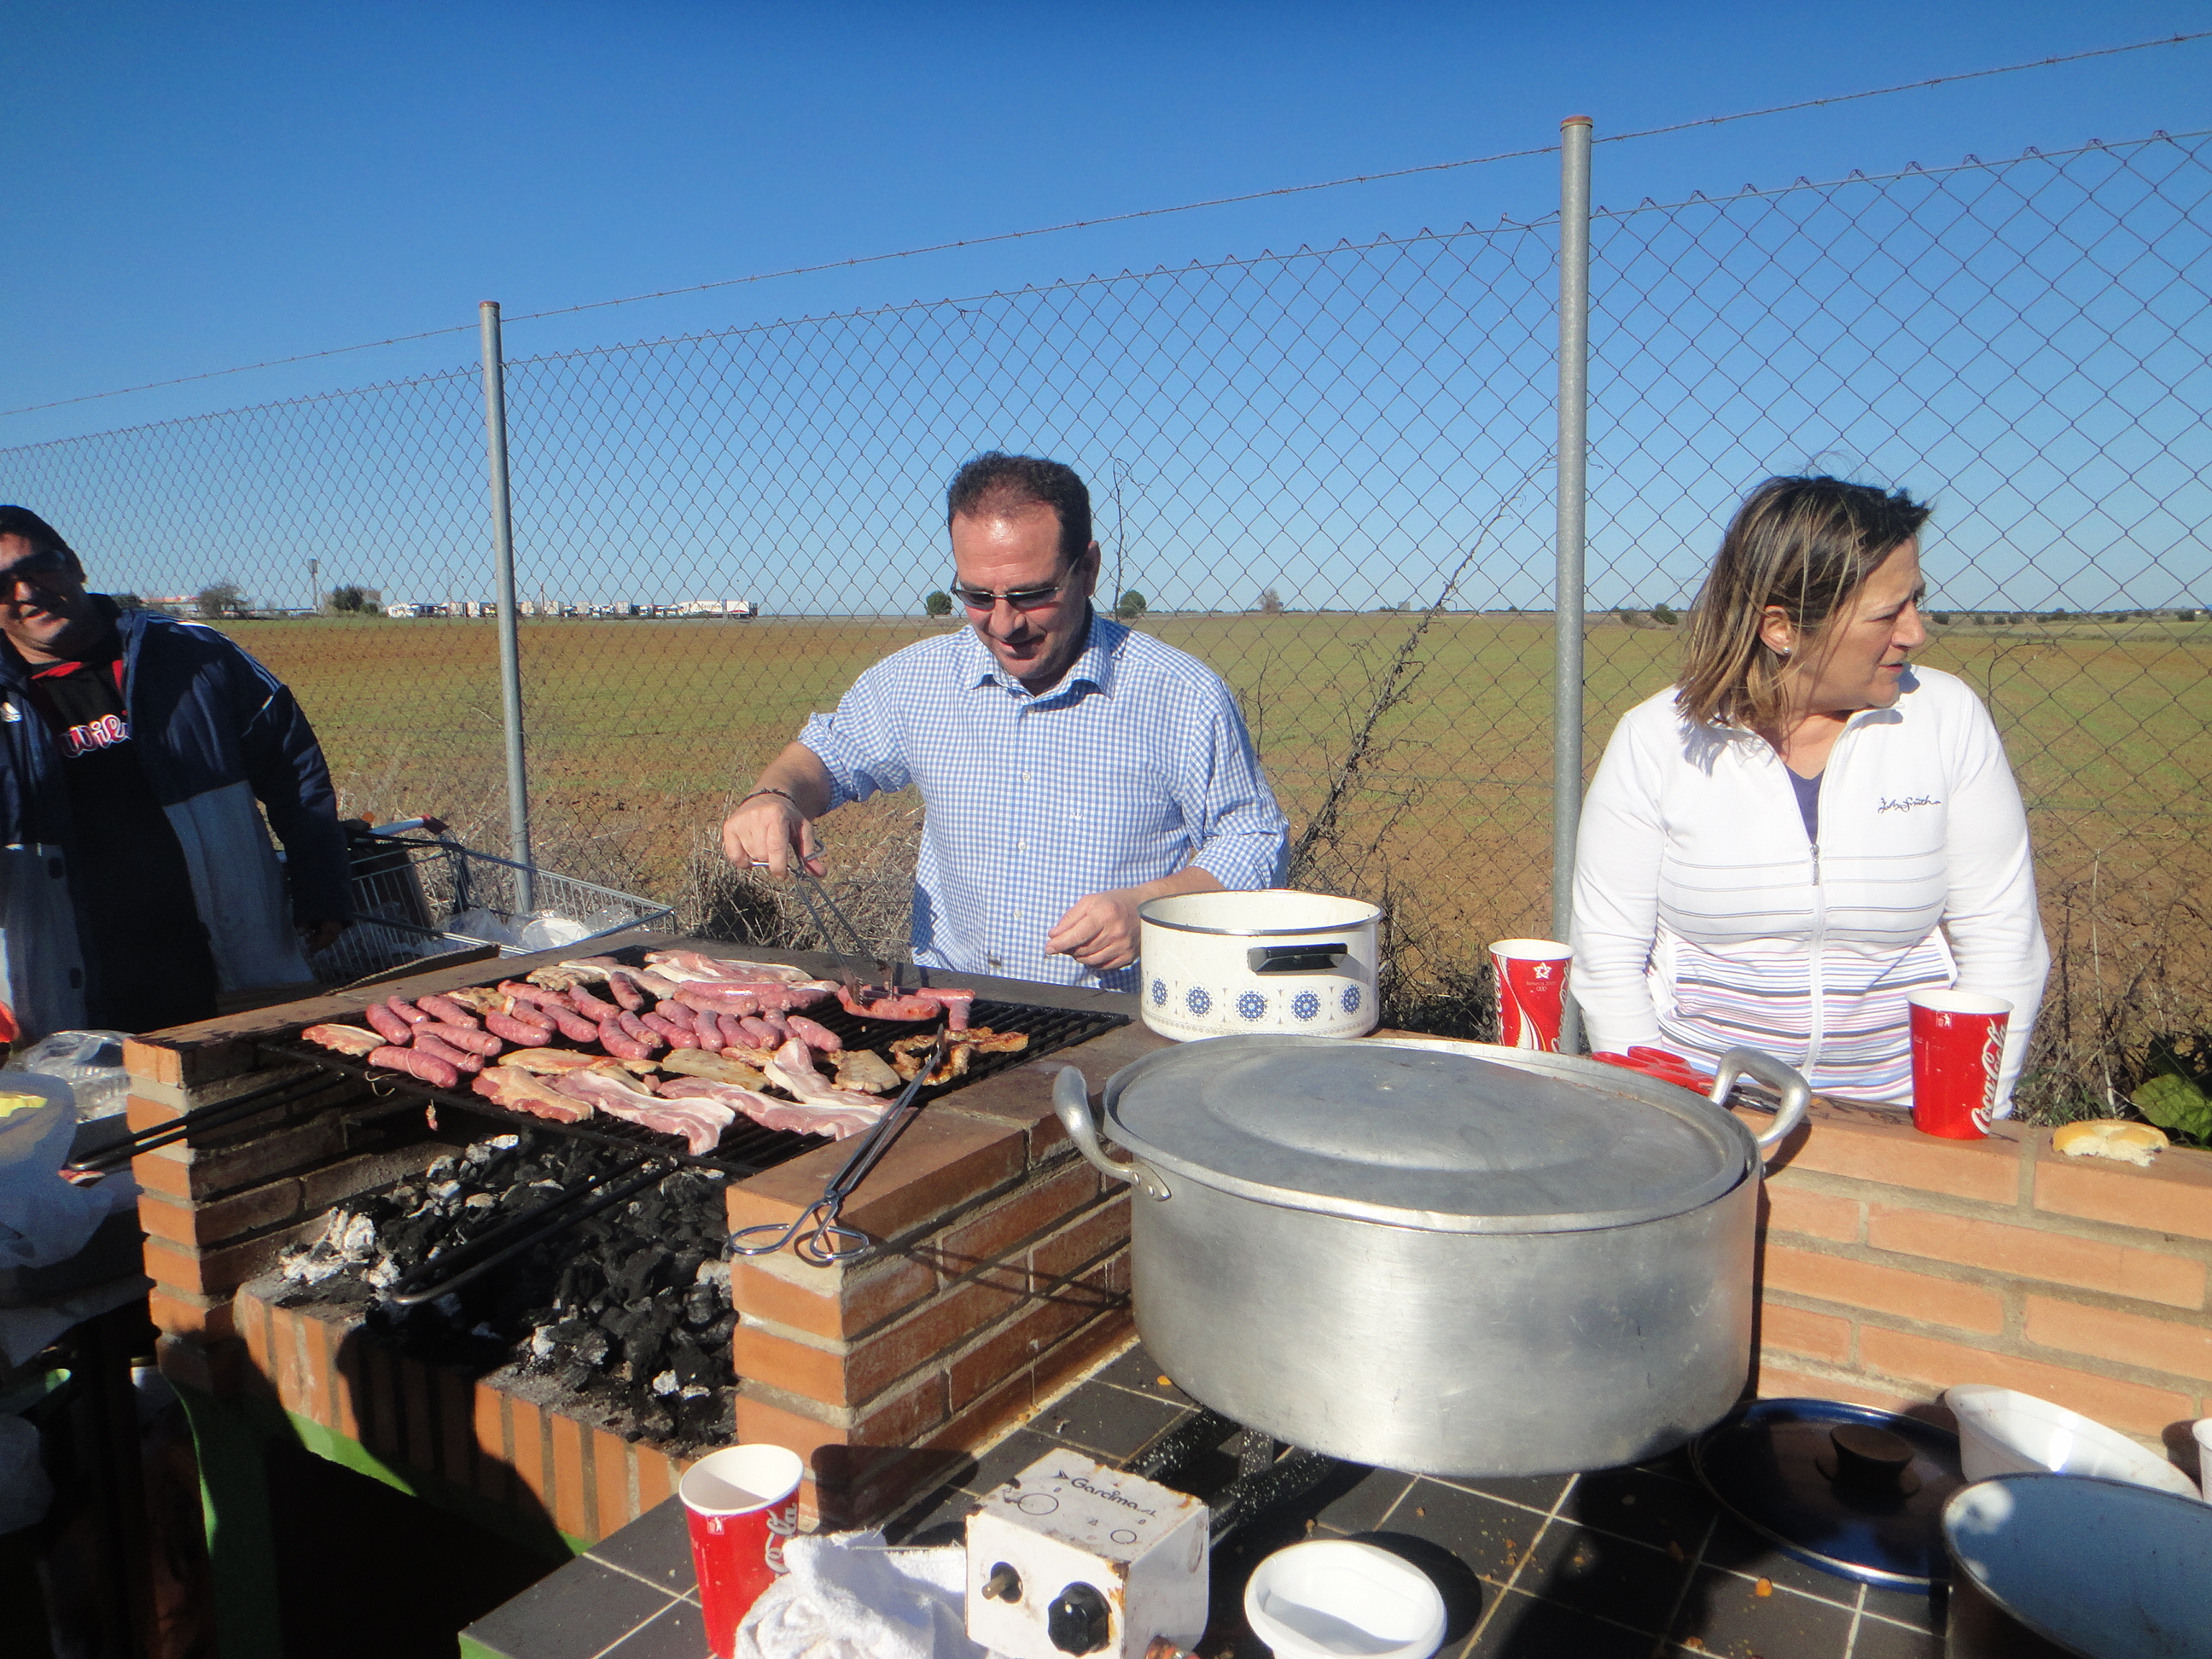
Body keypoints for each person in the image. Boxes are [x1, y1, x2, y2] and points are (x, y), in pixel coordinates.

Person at [720, 452, 1287, 991]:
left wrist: (1154, 911)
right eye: (977, 596)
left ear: (1088, 570)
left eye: (1032, 594)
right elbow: (829, 754)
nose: (1004, 623)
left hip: (1117, 1017)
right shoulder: (917, 681)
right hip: (956, 1007)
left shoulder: (1180, 694)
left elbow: (1254, 838)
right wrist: (773, 797)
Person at [1569, 475, 2049, 1110]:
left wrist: (1966, 1112)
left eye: (1916, 601)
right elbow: (1607, 956)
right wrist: (1665, 1114)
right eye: (1887, 614)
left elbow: (2002, 939)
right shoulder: (1657, 739)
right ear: (1781, 628)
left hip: (1907, 1111)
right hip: (1707, 1109)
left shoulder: (1947, 719)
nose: (1915, 632)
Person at [0, 506, 351, 1039]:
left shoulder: (193, 653)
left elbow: (294, 769)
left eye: (39, 567)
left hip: (224, 947)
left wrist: (321, 881)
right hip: (66, 974)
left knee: (262, 1072)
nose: (26, 592)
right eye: (3, 584)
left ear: (73, 563)